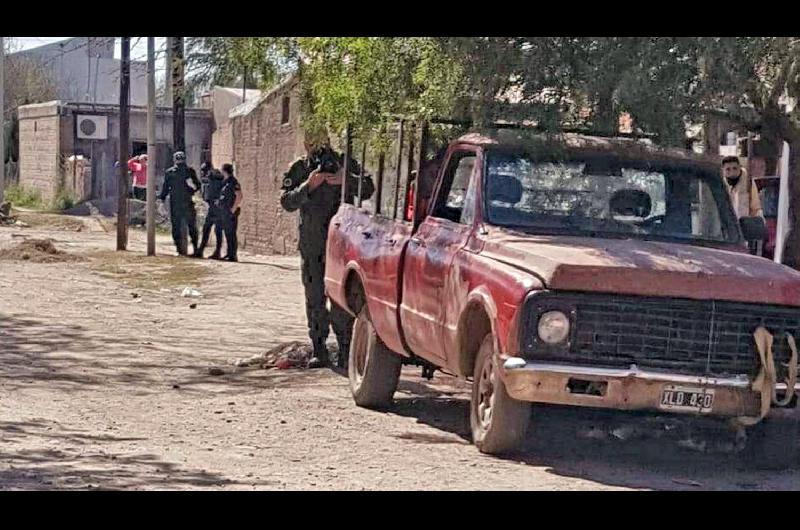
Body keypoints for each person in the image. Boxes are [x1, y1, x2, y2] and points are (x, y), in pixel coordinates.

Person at [280, 129, 375, 369]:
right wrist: (308, 186)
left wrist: (346, 179)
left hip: (341, 245)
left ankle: (345, 349)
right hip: (312, 244)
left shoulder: (344, 162)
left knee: (342, 297)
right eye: (310, 140)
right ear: (305, 142)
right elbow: (286, 201)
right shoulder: (300, 168)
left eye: (319, 140)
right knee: (314, 297)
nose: (315, 145)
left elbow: (369, 188)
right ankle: (319, 348)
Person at [159, 151, 201, 256]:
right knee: (189, 226)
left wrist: (161, 200)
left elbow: (165, 188)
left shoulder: (174, 172)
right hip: (184, 201)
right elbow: (197, 186)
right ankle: (192, 248)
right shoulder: (187, 171)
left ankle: (181, 249)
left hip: (179, 202)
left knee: (180, 226)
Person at [194, 162, 226, 259]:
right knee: (207, 228)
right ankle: (201, 250)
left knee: (217, 230)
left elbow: (220, 181)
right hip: (212, 207)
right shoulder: (210, 178)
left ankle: (216, 252)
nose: (203, 173)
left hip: (217, 208)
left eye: (204, 171)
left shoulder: (216, 175)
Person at [218, 163, 242, 262]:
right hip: (225, 211)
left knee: (232, 233)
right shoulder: (226, 182)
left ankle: (233, 255)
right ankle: (229, 253)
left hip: (230, 212)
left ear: (224, 171)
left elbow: (239, 195)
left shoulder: (233, 182)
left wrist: (233, 209)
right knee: (228, 233)